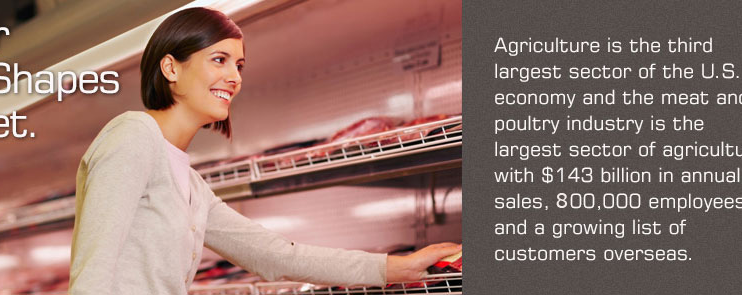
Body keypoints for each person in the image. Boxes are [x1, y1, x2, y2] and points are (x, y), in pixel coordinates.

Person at [69, 7, 461, 294]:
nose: (234, 77)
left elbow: (276, 257)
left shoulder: (189, 184)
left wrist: (397, 267)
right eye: (218, 60)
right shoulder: (132, 135)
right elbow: (92, 274)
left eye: (239, 65)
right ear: (170, 68)